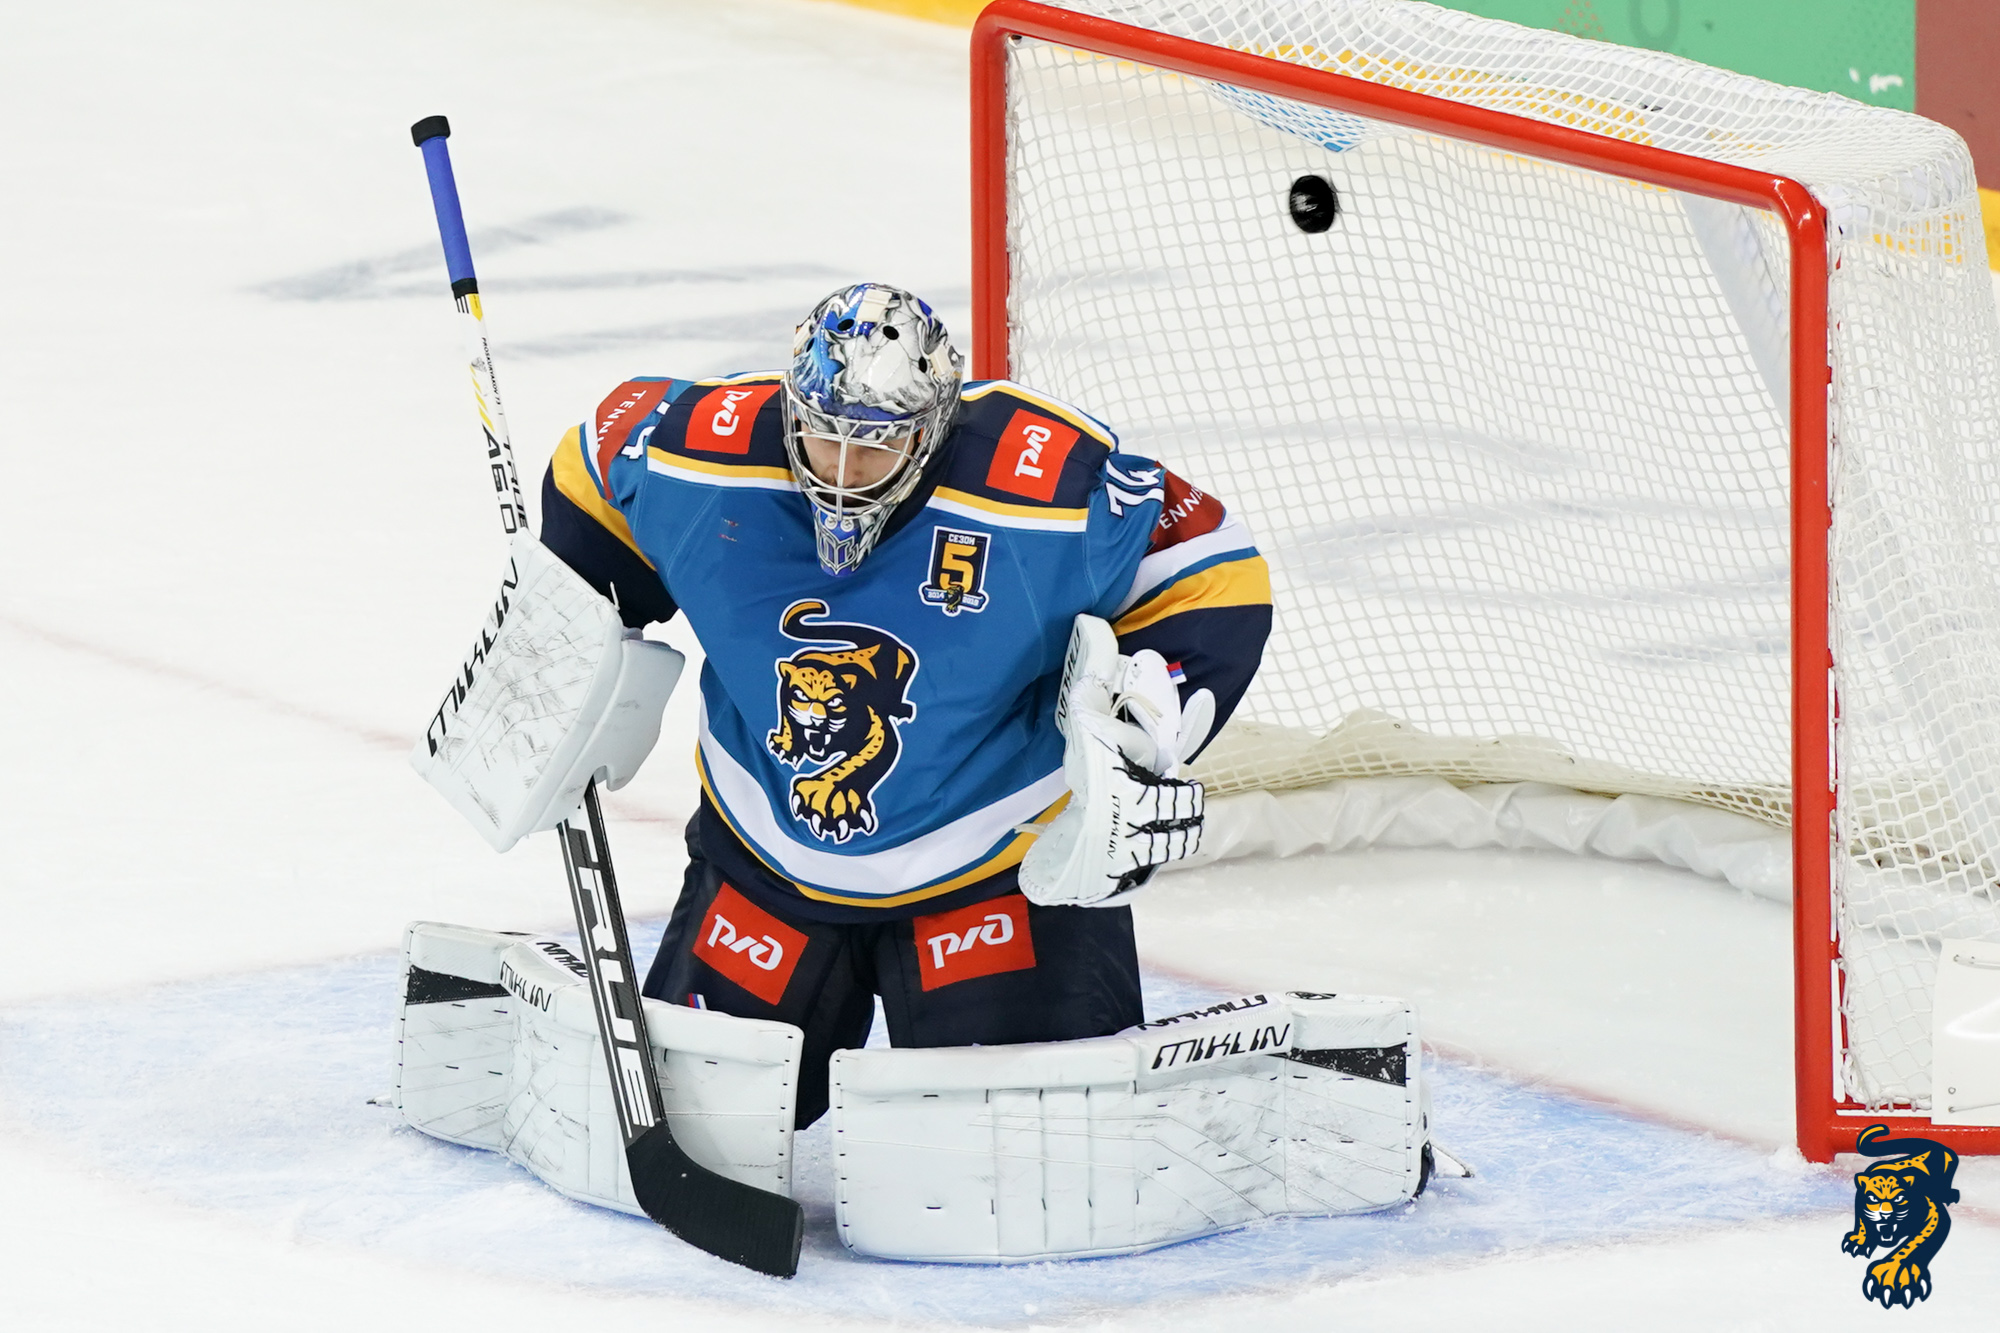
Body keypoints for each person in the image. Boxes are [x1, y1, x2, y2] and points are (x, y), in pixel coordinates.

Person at [537, 283, 1271, 1127]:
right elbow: (591, 468)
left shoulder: (1042, 487)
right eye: (823, 436)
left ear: (931, 430)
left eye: (877, 446)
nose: (841, 473)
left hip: (992, 866)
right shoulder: (698, 458)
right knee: (705, 1119)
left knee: (1025, 1143)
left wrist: (1151, 715)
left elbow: (1215, 571)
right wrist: (563, 629)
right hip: (766, 852)